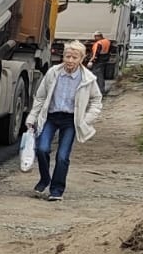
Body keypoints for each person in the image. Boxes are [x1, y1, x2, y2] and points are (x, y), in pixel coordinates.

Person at [26, 39, 103, 202]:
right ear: (63, 56)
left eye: (74, 58)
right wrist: (32, 117)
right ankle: (45, 179)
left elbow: (96, 101)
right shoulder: (53, 73)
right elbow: (40, 97)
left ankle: (56, 190)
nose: (70, 60)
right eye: (67, 56)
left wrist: (86, 120)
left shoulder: (87, 79)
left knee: (62, 156)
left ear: (81, 59)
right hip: (51, 117)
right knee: (42, 149)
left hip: (71, 120)